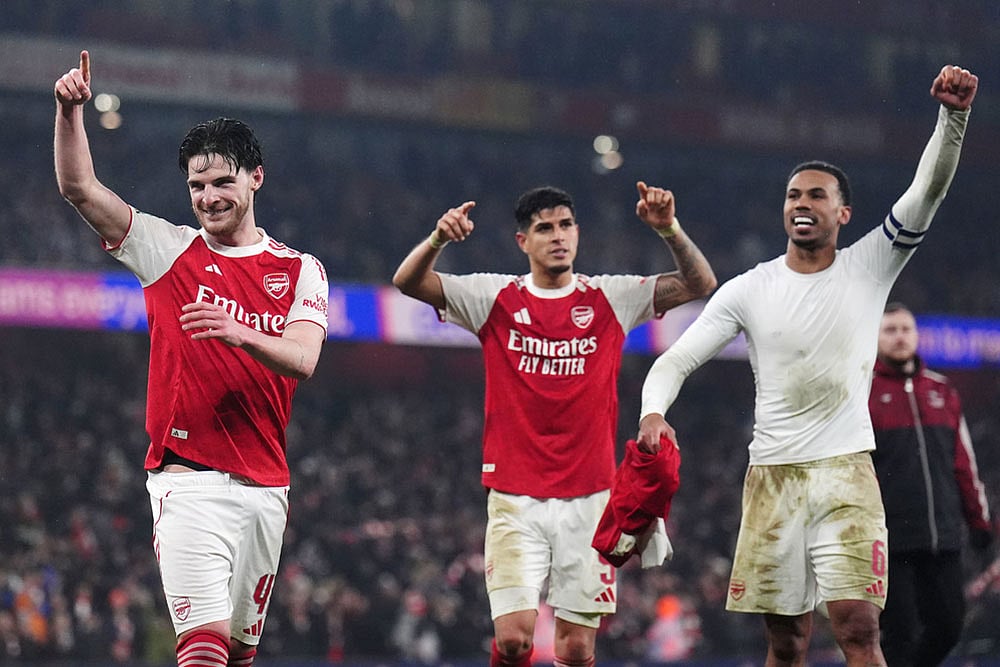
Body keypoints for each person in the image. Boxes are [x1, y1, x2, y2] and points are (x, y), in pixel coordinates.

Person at [636, 64, 978, 667]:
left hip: (846, 473)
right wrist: (653, 412)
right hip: (772, 477)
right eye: (794, 195)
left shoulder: (870, 265)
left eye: (817, 195)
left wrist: (953, 118)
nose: (802, 203)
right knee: (787, 642)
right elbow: (677, 357)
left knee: (859, 630)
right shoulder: (748, 289)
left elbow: (927, 192)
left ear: (843, 214)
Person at [54, 51, 329, 667]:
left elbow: (303, 359)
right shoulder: (167, 251)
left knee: (235, 656)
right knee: (201, 653)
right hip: (188, 484)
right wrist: (70, 112)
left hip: (267, 490)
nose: (207, 197)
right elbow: (79, 189)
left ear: (255, 177)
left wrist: (239, 332)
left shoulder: (300, 269)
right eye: (197, 187)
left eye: (221, 182)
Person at [392, 182, 717, 667]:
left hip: (591, 500)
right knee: (515, 640)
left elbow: (699, 285)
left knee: (576, 647)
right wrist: (438, 239)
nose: (558, 236)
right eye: (544, 228)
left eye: (566, 225)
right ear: (523, 241)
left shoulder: (611, 297)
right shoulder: (493, 296)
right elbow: (408, 282)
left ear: (578, 232)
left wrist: (668, 228)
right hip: (514, 498)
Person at [869, 302, 993, 667]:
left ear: (917, 335)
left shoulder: (942, 390)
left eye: (906, 329)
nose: (899, 336)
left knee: (949, 627)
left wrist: (979, 520)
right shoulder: (863, 392)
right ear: (876, 339)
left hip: (943, 534)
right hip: (891, 539)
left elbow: (963, 461)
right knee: (899, 634)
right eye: (890, 330)